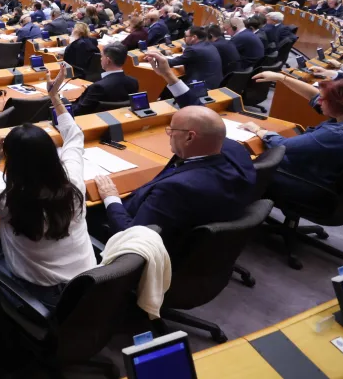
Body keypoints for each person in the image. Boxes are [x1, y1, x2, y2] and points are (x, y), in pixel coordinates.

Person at [93, 53, 258, 249]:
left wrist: (110, 197)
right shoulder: (235, 149)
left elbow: (132, 236)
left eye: (171, 130)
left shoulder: (174, 189)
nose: (168, 135)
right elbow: (201, 114)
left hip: (138, 238)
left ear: (190, 137)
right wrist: (168, 76)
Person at [0, 66, 95, 308]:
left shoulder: (8, 202)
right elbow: (75, 136)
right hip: (89, 285)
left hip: (42, 294)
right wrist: (54, 97)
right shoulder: (73, 182)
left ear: (13, 164)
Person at [241, 72, 343, 214]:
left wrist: (259, 130)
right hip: (326, 179)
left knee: (247, 165)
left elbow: (282, 145)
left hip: (312, 186)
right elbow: (314, 95)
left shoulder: (337, 134)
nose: (318, 102)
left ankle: (236, 216)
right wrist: (282, 78)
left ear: (339, 105)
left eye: (324, 100)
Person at [71, 43, 139, 116]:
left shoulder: (97, 87)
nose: (100, 59)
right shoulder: (133, 82)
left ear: (107, 60)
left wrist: (62, 101)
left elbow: (77, 112)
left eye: (102, 56)